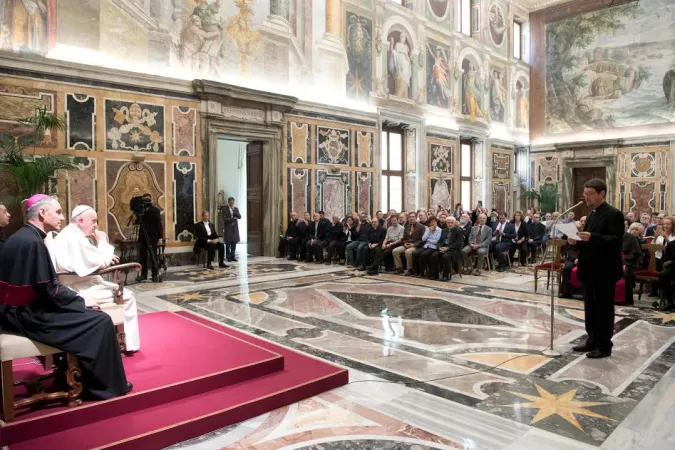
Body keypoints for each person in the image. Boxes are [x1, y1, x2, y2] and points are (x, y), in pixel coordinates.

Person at [0, 195, 131, 398]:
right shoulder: (33, 243)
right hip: (28, 314)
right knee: (101, 321)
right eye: (59, 212)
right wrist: (81, 300)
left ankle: (68, 374)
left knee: (92, 316)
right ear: (42, 213)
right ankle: (99, 386)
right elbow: (49, 290)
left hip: (14, 310)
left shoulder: (20, 236)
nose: (62, 217)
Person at [46, 205, 141, 352]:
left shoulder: (70, 234)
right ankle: (127, 344)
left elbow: (92, 259)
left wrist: (105, 256)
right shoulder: (74, 238)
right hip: (80, 287)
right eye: (94, 221)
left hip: (78, 282)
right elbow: (100, 264)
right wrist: (103, 241)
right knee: (129, 296)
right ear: (81, 220)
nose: (96, 226)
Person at [568, 179, 624, 359]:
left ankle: (604, 345)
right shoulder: (591, 213)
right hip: (588, 267)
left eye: (589, 194)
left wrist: (592, 236)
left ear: (602, 193)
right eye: (584, 194)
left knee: (603, 308)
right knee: (590, 306)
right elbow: (588, 241)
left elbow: (615, 241)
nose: (586, 197)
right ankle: (592, 339)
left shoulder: (614, 214)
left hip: (604, 269)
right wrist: (575, 241)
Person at [137, 193, 163, 282]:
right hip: (142, 236)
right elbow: (137, 222)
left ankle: (155, 274)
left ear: (151, 199)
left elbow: (159, 224)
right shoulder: (141, 211)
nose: (146, 200)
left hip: (152, 237)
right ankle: (143, 275)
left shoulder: (156, 210)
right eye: (144, 199)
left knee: (153, 256)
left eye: (147, 199)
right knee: (142, 257)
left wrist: (160, 238)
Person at [433, 216, 464, 281]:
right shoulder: (444, 230)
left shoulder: (459, 231)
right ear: (446, 223)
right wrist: (439, 247)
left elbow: (458, 244)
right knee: (434, 255)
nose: (450, 224)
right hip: (444, 248)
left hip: (455, 250)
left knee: (445, 257)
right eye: (448, 223)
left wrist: (447, 248)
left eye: (451, 223)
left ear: (454, 223)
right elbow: (440, 241)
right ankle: (435, 275)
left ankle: (446, 276)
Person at [623, 222, 644, 305]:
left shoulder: (632, 238)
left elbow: (636, 254)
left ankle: (626, 299)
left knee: (626, 272)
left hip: (630, 262)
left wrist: (625, 259)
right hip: (618, 260)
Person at [222, 197, 241, 262]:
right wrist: (233, 219)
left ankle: (233, 256)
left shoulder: (236, 209)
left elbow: (239, 216)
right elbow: (225, 219)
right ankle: (228, 257)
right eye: (230, 202)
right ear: (228, 202)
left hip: (234, 228)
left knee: (234, 243)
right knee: (228, 243)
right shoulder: (224, 209)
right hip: (228, 228)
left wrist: (234, 211)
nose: (231, 204)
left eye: (233, 202)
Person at [658, 239, 675, 311]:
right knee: (663, 274)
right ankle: (670, 301)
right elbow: (665, 260)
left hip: (673, 264)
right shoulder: (671, 244)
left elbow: (670, 261)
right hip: (673, 267)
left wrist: (671, 262)